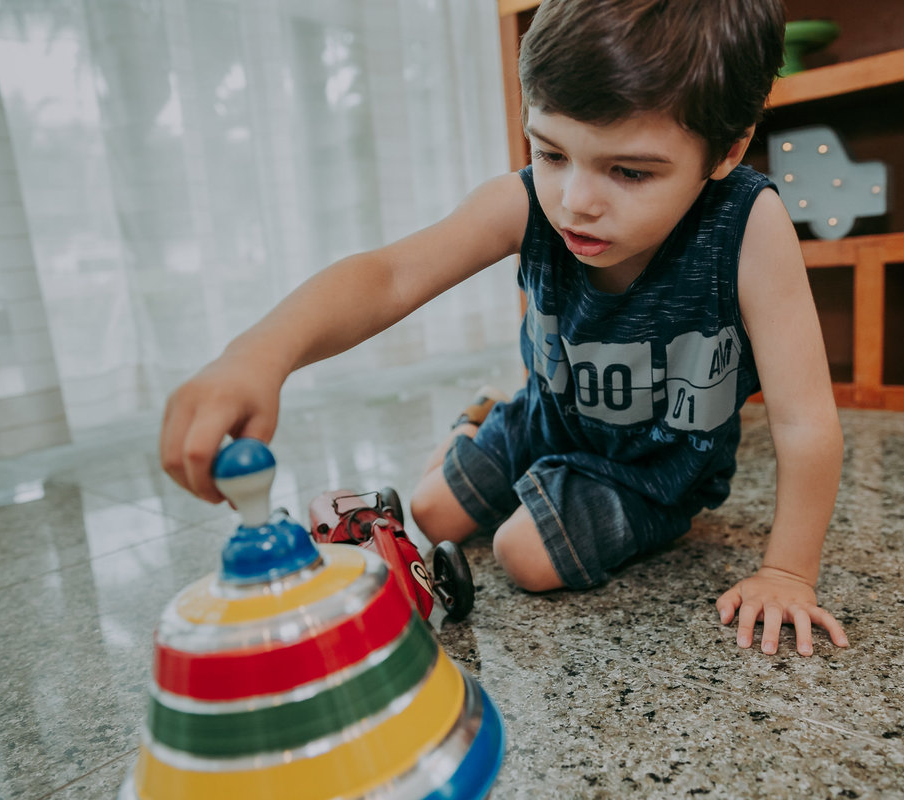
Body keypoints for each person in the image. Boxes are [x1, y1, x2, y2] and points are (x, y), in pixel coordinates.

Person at [161, 0, 849, 656]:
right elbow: (391, 274)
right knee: (429, 511)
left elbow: (804, 421)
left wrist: (788, 572)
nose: (575, 202)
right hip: (545, 418)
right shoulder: (524, 203)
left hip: (654, 468)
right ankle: (481, 421)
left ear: (727, 152)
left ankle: (501, 450)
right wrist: (261, 351)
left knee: (524, 554)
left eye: (630, 171)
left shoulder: (749, 227)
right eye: (551, 153)